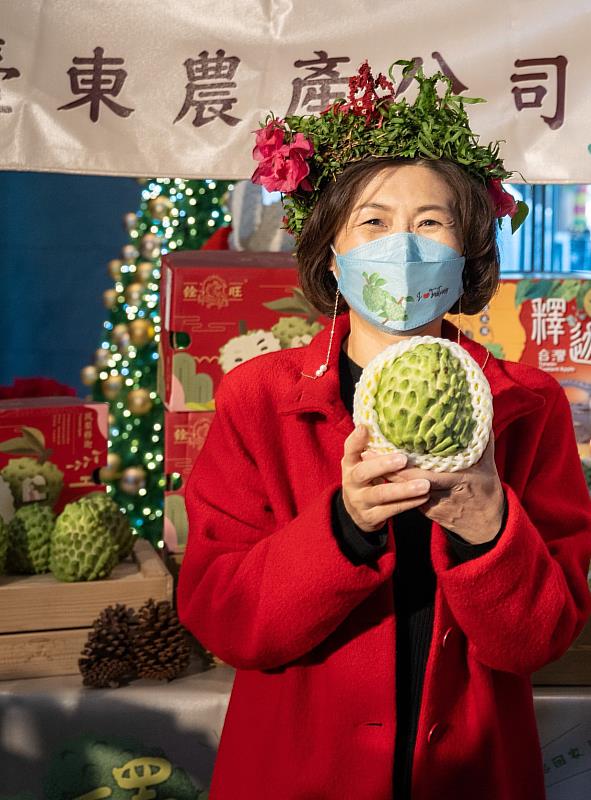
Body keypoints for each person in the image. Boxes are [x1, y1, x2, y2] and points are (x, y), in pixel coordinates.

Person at [177, 61, 591, 800]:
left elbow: (538, 639)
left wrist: (490, 530)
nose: (402, 246)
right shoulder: (257, 401)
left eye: (430, 222)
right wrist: (342, 529)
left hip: (471, 774)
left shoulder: (528, 407)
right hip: (298, 774)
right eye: (372, 221)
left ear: (465, 249)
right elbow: (223, 617)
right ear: (332, 251)